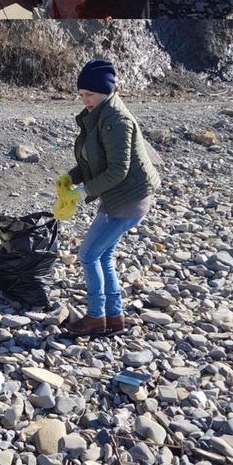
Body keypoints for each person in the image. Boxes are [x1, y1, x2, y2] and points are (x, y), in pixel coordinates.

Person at [60, 60, 160, 337]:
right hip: (120, 196)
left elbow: (117, 170)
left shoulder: (116, 120)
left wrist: (82, 192)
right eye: (80, 95)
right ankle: (114, 318)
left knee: (88, 254)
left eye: (89, 94)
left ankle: (95, 318)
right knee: (103, 256)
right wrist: (71, 177)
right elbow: (96, 161)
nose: (84, 100)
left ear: (105, 91)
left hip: (128, 200)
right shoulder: (100, 115)